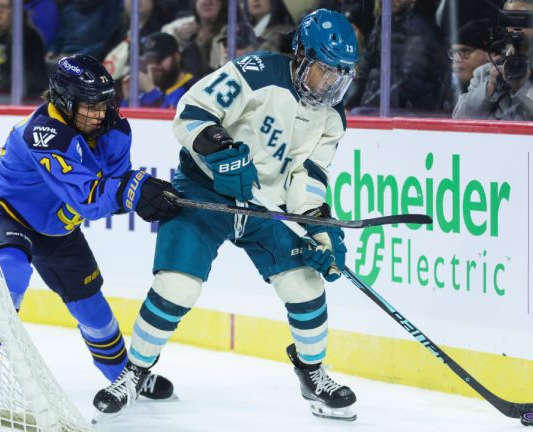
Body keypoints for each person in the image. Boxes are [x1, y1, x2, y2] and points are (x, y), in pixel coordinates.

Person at [93, 9, 360, 421]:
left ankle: (312, 373)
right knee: (177, 286)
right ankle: (134, 374)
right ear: (301, 54)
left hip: (264, 209)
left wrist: (321, 232)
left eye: (340, 76)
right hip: (204, 192)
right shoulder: (256, 72)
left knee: (306, 285)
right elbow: (191, 111)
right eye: (325, 72)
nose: (330, 85)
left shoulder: (331, 118)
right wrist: (221, 151)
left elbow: (307, 177)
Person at [0, 54, 181, 402]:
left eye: (104, 103)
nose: (99, 113)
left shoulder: (115, 129)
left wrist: (140, 190)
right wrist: (136, 189)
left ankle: (125, 378)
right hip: (3, 213)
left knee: (93, 309)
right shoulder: (43, 133)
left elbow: (114, 180)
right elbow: (87, 197)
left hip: (56, 228)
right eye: (89, 105)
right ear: (64, 100)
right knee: (11, 276)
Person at [452, 0, 533, 122]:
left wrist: (524, 88)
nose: (516, 27)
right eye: (509, 19)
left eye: (524, 20)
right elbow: (459, 119)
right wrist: (490, 88)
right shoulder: (485, 73)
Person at [442, 19, 492, 113]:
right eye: (453, 53)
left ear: (490, 55)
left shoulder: (498, 90)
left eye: (465, 51)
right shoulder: (446, 89)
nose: (457, 59)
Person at [137, 32, 199, 108]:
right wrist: (128, 99)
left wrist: (152, 93)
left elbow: (175, 117)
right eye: (150, 60)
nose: (153, 66)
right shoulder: (150, 92)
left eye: (159, 59)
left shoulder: (195, 89)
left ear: (177, 57)